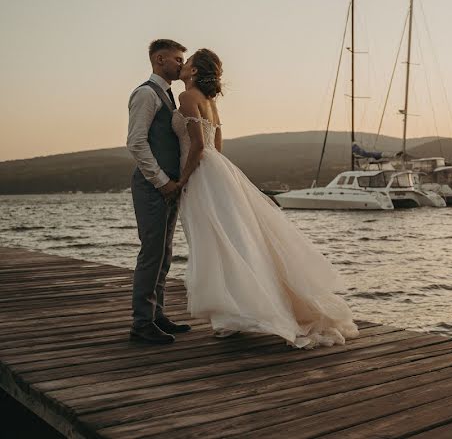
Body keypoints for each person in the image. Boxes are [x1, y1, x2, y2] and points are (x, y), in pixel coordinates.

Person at [172, 49, 358, 347]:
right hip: (218, 170)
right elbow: (215, 145)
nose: (183, 65)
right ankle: (235, 313)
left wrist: (182, 179)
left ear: (194, 72)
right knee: (234, 240)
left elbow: (196, 146)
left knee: (213, 242)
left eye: (188, 62)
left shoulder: (187, 97)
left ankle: (232, 314)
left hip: (201, 173)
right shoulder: (211, 103)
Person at [126, 39, 193, 344]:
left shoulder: (169, 95)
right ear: (160, 59)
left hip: (171, 186)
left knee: (164, 253)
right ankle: (142, 323)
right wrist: (162, 181)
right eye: (178, 59)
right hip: (154, 185)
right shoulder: (145, 94)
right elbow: (136, 143)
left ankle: (157, 315)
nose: (182, 64)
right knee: (151, 253)